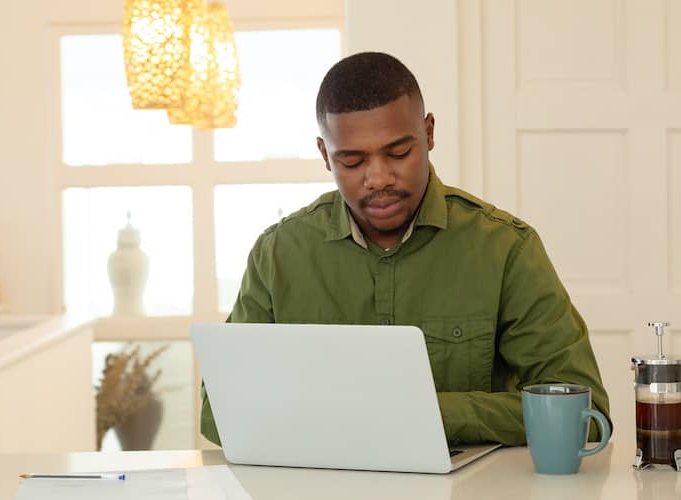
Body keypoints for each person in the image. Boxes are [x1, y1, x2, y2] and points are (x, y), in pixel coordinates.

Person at [201, 51, 610, 446]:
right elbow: (219, 412)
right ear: (325, 155)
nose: (378, 178)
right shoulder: (278, 255)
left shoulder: (506, 248)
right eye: (352, 161)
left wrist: (428, 412)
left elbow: (584, 413)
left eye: (398, 153)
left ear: (429, 133)